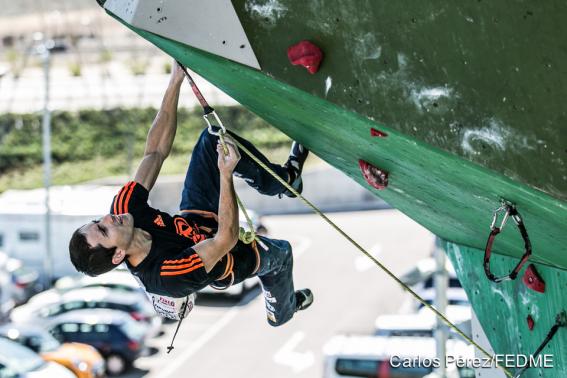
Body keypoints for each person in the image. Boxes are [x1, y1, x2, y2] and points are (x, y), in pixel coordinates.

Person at [68, 63, 312, 326]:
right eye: (103, 231)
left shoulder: (124, 209)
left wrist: (175, 81)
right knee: (282, 254)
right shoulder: (167, 276)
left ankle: (285, 181)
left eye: (97, 222)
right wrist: (225, 173)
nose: (107, 218)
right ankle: (282, 311)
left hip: (195, 219)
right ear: (117, 256)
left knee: (212, 140)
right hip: (228, 257)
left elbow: (155, 153)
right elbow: (225, 239)